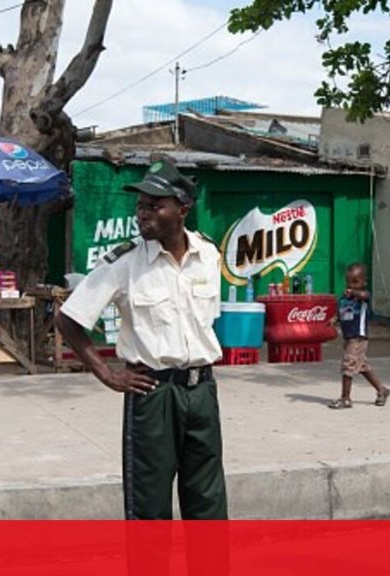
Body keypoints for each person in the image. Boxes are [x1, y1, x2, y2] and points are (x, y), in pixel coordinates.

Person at [55, 157, 227, 520]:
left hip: (202, 392)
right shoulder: (125, 262)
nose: (143, 213)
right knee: (149, 507)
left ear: (183, 209)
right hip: (153, 395)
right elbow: (68, 319)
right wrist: (108, 374)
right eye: (140, 205)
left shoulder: (208, 255)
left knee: (208, 503)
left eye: (155, 205)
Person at [328, 262, 390, 409]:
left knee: (348, 364)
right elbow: (341, 312)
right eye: (349, 282)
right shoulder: (344, 299)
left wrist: (355, 293)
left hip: (358, 337)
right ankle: (382, 390)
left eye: (356, 282)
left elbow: (364, 295)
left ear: (364, 281)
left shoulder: (363, 297)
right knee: (362, 366)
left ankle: (346, 398)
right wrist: (334, 319)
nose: (351, 285)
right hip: (348, 338)